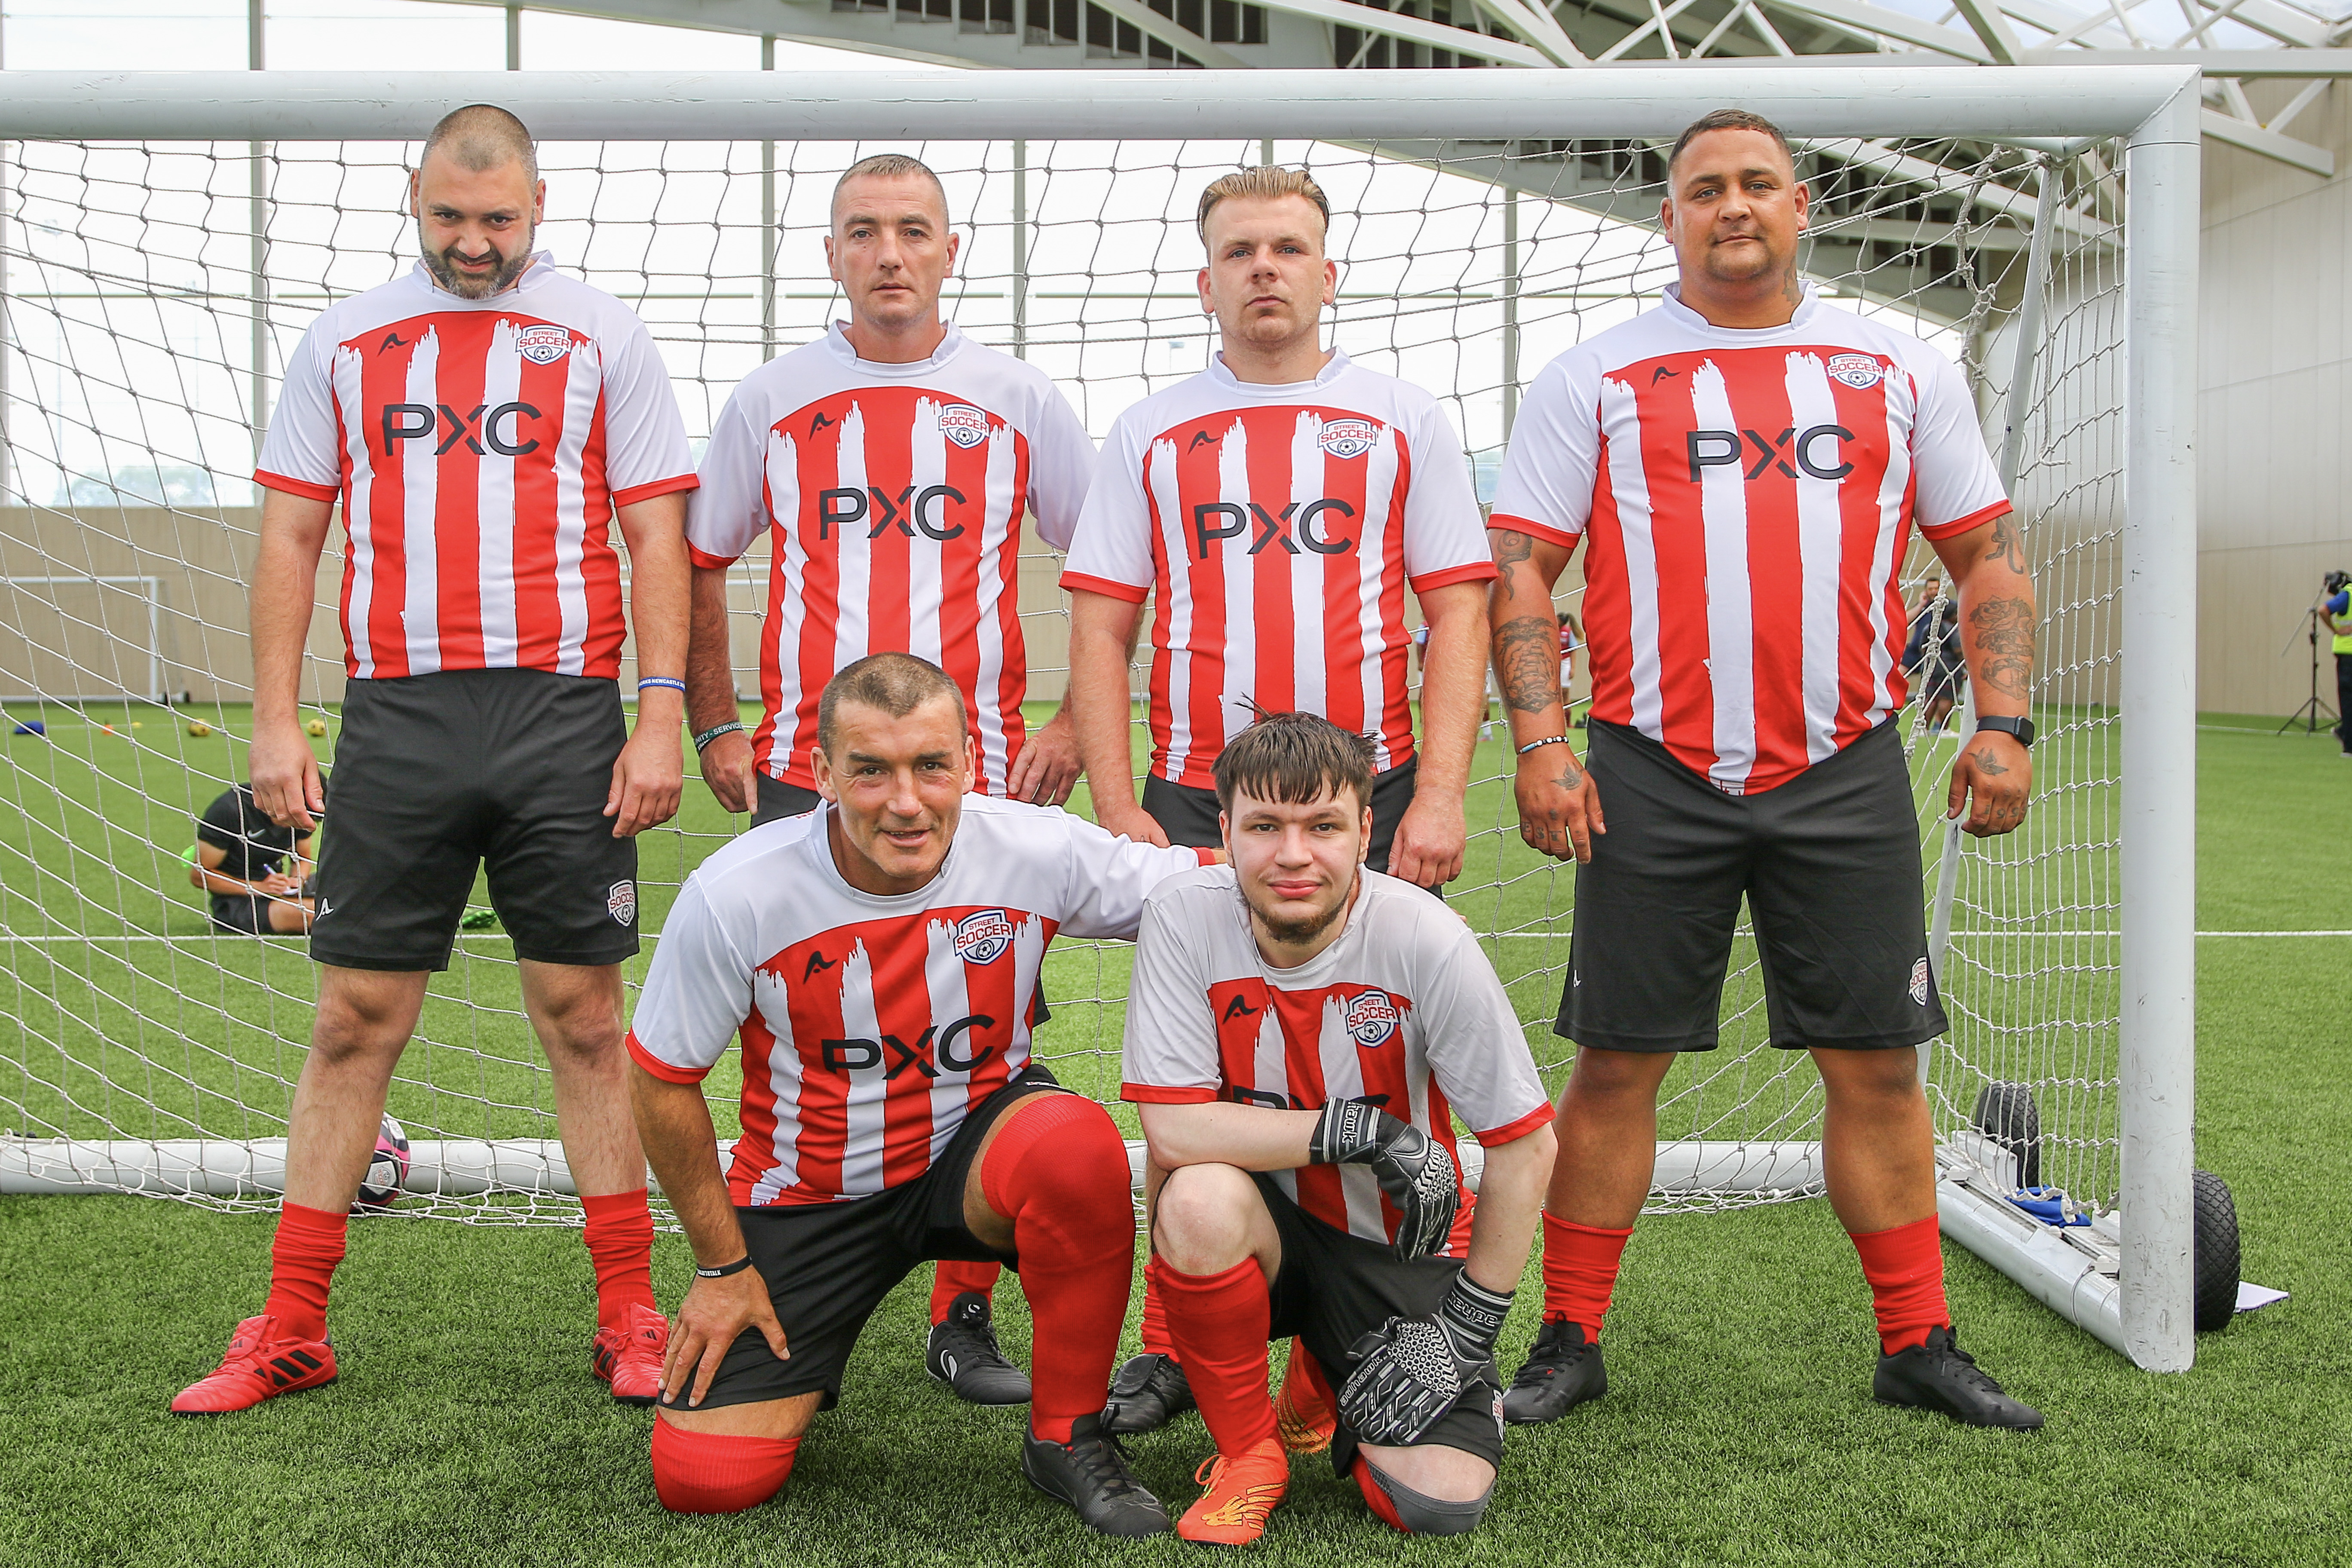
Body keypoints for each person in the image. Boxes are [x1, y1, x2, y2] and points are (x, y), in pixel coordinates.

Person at [1485, 108, 2045, 1432]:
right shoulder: (1600, 376)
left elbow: (1986, 557)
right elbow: (1520, 571)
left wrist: (2005, 720)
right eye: (1701, 190)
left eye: (1756, 185)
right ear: (1668, 215)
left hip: (1843, 770)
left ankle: (1917, 1340)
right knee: (1617, 1063)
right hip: (1648, 767)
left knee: (1881, 1067)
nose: (1731, 206)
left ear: (1803, 206)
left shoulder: (1899, 367)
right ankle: (1569, 1336)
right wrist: (1544, 742)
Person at [173, 106, 696, 1416]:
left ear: (538, 205)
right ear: (416, 198)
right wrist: (278, 720)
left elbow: (654, 537)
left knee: (583, 1015)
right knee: (357, 1019)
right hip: (399, 716)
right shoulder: (344, 338)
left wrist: (660, 710)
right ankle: (292, 1321)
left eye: (500, 220)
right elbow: (292, 537)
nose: (474, 243)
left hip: (566, 715)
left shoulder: (602, 333)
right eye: (452, 218)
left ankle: (628, 1310)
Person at [1061, 164, 1497, 1433]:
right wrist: (1114, 800)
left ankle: (1399, 1313)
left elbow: (1454, 613)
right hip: (1200, 801)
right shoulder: (1149, 429)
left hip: (1376, 790)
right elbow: (1103, 629)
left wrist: (1443, 795)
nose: (1266, 267)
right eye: (1241, 250)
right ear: (1206, 280)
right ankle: (1172, 1338)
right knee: (1192, 1078)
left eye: (1289, 247)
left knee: (1394, 1057)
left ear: (1327, 271)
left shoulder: (1406, 418)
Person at [684, 152, 1099, 1403]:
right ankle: (793, 1252)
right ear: (831, 253)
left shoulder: (1020, 394)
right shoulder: (773, 395)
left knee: (983, 1021)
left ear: (950, 247)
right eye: (863, 232)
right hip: (815, 770)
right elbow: (704, 560)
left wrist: (1079, 720)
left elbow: (1104, 569)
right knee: (793, 1022)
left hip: (966, 773)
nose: (889, 254)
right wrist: (714, 722)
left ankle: (962, 1310)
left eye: (912, 230)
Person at [625, 653, 1213, 1534]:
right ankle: (794, 1347)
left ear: (968, 762)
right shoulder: (738, 892)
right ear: (822, 775)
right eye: (872, 770)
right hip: (813, 1192)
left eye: (930, 766)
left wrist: (1344, 875)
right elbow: (660, 1081)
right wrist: (722, 1267)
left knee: (1078, 1150)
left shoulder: (1032, 845)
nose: (906, 800)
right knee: (707, 1478)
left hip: (978, 1158)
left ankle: (1067, 1433)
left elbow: (1206, 886)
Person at [1122, 713, 1553, 1543]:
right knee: (1196, 1199)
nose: (1292, 855)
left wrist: (1467, 1326)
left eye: (1321, 825)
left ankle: (1321, 1378)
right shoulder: (1183, 912)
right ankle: (1250, 1453)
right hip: (1264, 1231)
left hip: (1396, 1243)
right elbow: (1173, 1131)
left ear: (1365, 828)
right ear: (1225, 831)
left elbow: (1526, 1142)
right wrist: (1366, 1131)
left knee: (1435, 1505)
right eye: (1264, 826)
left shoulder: (1426, 936)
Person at [193, 779, 318, 935]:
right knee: (316, 916)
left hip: (280, 890)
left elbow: (302, 857)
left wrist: (297, 880)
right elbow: (199, 875)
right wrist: (257, 888)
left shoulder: (304, 814)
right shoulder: (231, 810)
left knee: (346, 896)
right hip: (238, 902)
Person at [1902, 573, 1965, 735]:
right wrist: (1964, 667)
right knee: (1945, 698)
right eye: (1931, 589)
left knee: (1930, 697)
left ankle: (1925, 728)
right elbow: (1958, 650)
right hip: (1944, 665)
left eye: (1936, 588)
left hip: (1930, 663)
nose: (1934, 591)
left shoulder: (1934, 622)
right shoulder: (1951, 628)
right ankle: (1942, 729)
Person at [2326, 572, 2351, 755]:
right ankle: (2344, 733)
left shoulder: (2348, 593)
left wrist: (2336, 630)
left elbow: (2323, 610)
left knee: (2348, 700)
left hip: (2348, 655)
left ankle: (2348, 743)